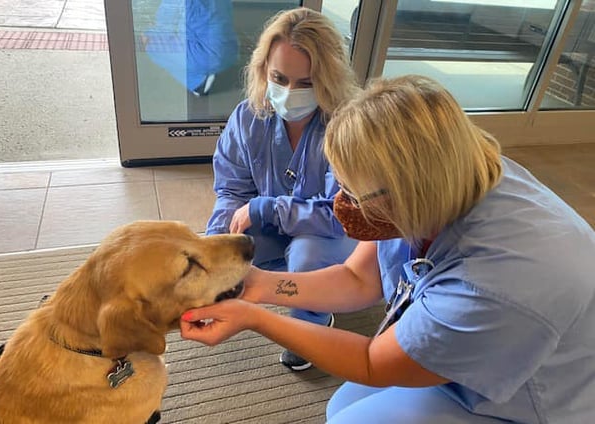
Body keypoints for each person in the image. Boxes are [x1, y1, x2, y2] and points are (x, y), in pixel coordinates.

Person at [181, 75, 595, 423]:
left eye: (352, 191)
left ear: (408, 190)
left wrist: (255, 318)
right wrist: (259, 285)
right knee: (342, 403)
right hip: (479, 341)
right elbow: (357, 278)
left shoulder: (498, 281)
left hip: (537, 398)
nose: (342, 202)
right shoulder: (443, 183)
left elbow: (371, 362)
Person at [203, 7, 360, 371]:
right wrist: (215, 249)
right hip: (281, 225)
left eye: (305, 83)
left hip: (332, 235)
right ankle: (290, 277)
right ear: (263, 70)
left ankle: (311, 324)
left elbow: (345, 214)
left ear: (328, 79)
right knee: (229, 248)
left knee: (306, 255)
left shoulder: (350, 127)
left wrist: (270, 209)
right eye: (279, 77)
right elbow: (232, 190)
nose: (290, 92)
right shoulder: (247, 116)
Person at [141, 0, 239, 96]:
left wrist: (149, 30)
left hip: (207, 56)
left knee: (150, 42)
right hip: (231, 50)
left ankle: (198, 83)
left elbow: (164, 27)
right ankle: (209, 71)